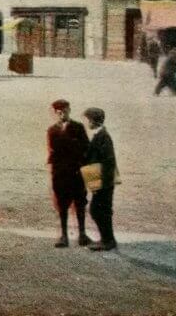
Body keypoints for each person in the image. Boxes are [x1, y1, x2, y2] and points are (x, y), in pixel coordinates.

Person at [46, 99, 90, 248]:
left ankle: (82, 234)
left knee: (80, 203)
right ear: (55, 113)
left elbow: (86, 148)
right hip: (60, 174)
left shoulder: (78, 127)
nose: (62, 114)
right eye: (59, 112)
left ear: (69, 110)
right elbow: (53, 151)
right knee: (62, 205)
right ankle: (64, 235)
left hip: (76, 172)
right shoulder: (52, 130)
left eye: (65, 111)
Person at [83, 107, 119, 251]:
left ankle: (108, 240)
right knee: (101, 211)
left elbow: (106, 164)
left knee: (98, 211)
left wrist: (97, 185)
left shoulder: (102, 137)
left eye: (87, 120)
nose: (86, 123)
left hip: (103, 183)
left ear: (92, 120)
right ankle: (107, 239)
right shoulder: (101, 135)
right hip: (103, 182)